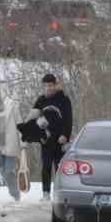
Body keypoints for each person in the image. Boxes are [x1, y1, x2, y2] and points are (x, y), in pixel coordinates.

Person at [31, 72, 73, 200]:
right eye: (46, 86)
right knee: (46, 166)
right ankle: (46, 193)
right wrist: (40, 130)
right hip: (46, 139)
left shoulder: (64, 99)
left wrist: (66, 135)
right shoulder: (40, 100)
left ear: (55, 85)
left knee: (60, 167)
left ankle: (60, 193)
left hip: (60, 139)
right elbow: (33, 118)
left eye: (51, 85)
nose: (49, 88)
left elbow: (69, 119)